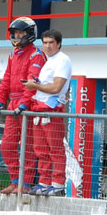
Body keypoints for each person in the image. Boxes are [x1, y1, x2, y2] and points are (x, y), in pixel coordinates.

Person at [0, 17, 47, 195]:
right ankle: (15, 181)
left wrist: (24, 104)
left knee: (27, 147)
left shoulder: (36, 55)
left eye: (20, 33)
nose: (17, 36)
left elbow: (32, 82)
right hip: (13, 105)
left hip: (28, 106)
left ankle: (25, 183)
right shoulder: (13, 54)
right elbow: (6, 79)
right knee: (6, 146)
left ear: (30, 34)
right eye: (15, 33)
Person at [23, 29, 72, 196]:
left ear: (59, 44)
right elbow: (48, 85)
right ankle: (44, 182)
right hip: (40, 109)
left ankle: (57, 183)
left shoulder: (62, 60)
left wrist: (35, 85)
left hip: (52, 110)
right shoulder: (49, 61)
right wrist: (36, 84)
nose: (48, 46)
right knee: (41, 149)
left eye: (51, 42)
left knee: (55, 149)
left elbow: (57, 87)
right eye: (45, 43)